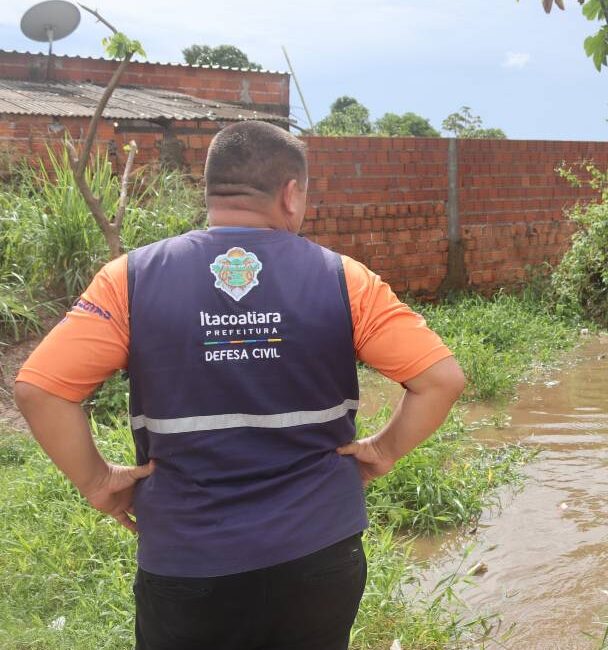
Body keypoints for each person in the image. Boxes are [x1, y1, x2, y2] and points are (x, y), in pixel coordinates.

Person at [13, 120, 466, 650]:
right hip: (319, 551)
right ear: (291, 194)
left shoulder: (128, 279)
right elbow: (441, 380)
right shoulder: (345, 279)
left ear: (210, 191)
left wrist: (97, 483)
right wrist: (384, 450)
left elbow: (40, 390)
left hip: (187, 558)